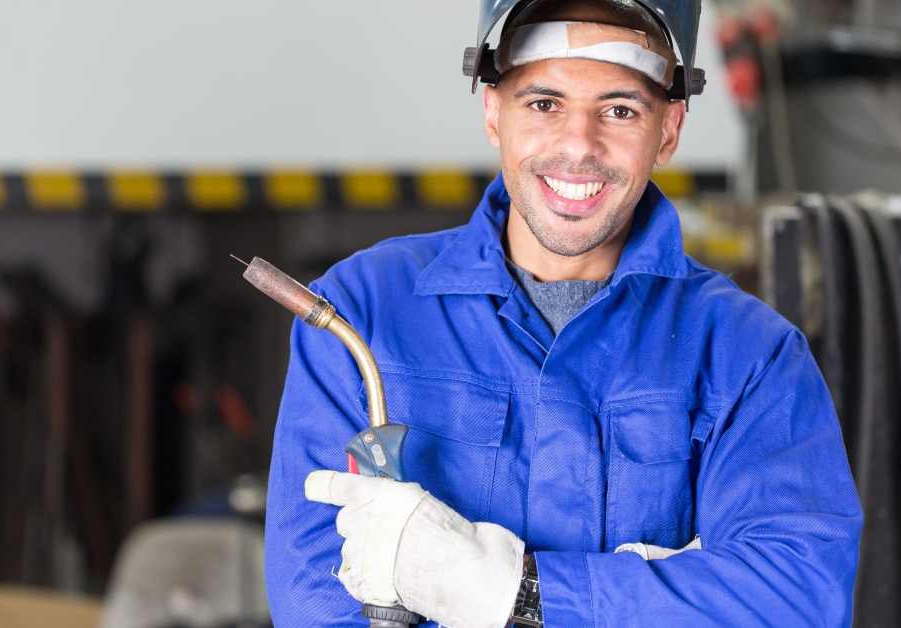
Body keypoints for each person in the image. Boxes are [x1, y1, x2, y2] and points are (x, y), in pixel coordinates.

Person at [265, 0, 862, 625]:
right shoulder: (360, 313)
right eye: (544, 103)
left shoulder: (749, 356)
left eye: (620, 110)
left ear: (670, 129)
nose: (579, 146)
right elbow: (319, 603)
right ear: (494, 111)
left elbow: (796, 598)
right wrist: (663, 588)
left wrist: (519, 593)